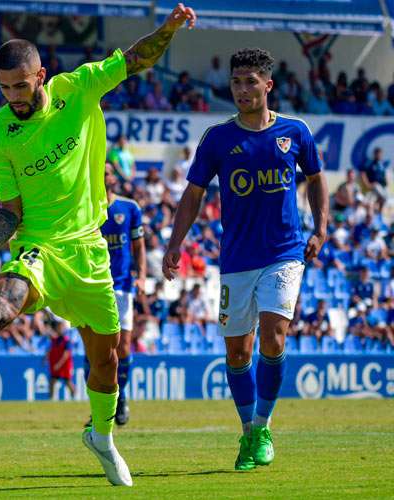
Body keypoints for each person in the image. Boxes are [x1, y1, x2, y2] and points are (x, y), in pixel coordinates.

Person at [0, 4, 197, 487]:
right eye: (4, 87)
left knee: (106, 361)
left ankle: (101, 437)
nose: (13, 96)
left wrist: (170, 27)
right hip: (38, 249)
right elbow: (10, 208)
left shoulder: (79, 88)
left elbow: (136, 59)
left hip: (90, 254)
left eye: (20, 85)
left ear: (42, 76)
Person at [161, 48, 328, 471]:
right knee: (238, 353)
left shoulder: (296, 131)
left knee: (274, 336)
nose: (242, 89)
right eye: (236, 82)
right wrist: (175, 242)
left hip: (284, 253)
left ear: (267, 85)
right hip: (236, 259)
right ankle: (249, 431)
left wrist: (321, 229)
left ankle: (264, 427)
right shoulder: (217, 138)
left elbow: (316, 178)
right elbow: (193, 194)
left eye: (250, 81)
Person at [85, 163, 146, 426]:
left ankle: (121, 400)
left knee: (122, 347)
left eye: (108, 172)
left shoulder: (129, 208)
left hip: (121, 286)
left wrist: (141, 276)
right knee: (94, 349)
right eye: (101, 172)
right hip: (92, 286)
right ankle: (100, 409)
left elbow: (139, 246)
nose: (105, 176)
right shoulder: (86, 207)